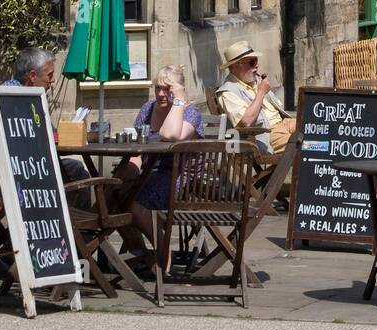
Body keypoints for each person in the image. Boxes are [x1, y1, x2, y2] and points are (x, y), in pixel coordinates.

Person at [124, 66, 204, 244]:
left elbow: (170, 135)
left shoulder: (191, 113)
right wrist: (129, 174)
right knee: (113, 198)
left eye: (167, 89)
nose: (161, 93)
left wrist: (179, 102)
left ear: (179, 90)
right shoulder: (148, 108)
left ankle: (161, 249)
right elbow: (137, 149)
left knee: (130, 204)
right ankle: (140, 252)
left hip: (179, 178)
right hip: (148, 173)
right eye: (157, 88)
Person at [3, 48, 90, 196]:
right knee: (77, 171)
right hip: (22, 172)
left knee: (74, 167)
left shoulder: (28, 97)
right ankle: (75, 218)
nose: (53, 80)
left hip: (30, 167)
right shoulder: (13, 99)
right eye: (49, 75)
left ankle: (71, 216)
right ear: (32, 76)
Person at [215, 40, 296, 155]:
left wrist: (263, 90)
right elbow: (246, 121)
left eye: (256, 60)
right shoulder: (227, 92)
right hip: (266, 134)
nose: (257, 65)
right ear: (236, 66)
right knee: (310, 146)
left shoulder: (254, 81)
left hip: (283, 123)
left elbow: (278, 106)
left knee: (317, 129)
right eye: (252, 62)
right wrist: (261, 93)